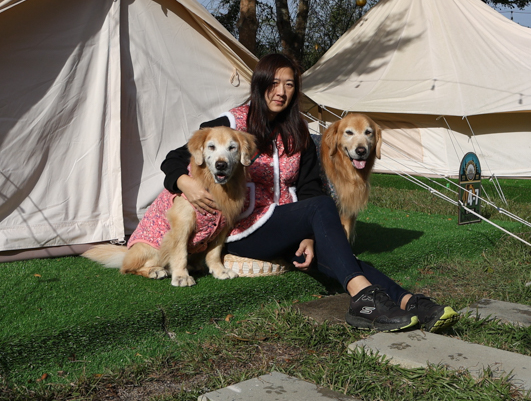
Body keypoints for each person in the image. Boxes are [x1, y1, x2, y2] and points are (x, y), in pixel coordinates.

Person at [160, 53, 458, 333]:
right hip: (242, 229)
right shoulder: (232, 123)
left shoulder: (298, 132)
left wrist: (308, 237)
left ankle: (409, 302)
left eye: (289, 85)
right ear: (260, 84)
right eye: (274, 83)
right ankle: (362, 300)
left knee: (340, 255)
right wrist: (184, 183)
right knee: (320, 208)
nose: (281, 91)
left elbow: (308, 188)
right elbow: (174, 159)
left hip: (285, 224)